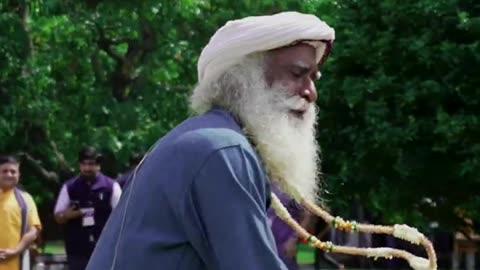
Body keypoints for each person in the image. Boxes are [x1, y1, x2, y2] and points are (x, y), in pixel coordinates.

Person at [86, 11, 335, 270]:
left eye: (313, 79)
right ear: (245, 79)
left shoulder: (211, 138)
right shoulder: (223, 151)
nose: (311, 93)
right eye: (297, 74)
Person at [54, 146, 121, 270]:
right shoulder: (70, 187)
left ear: (98, 165)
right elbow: (58, 217)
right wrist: (73, 214)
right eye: (83, 164)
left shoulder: (111, 187)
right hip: (77, 250)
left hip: (104, 247)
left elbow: (121, 217)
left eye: (91, 164)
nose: (87, 168)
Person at [0, 155, 42, 270]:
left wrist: (15, 251)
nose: (9, 175)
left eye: (13, 172)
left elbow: (34, 230)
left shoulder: (26, 199)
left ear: (18, 175)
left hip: (16, 264)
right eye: (4, 171)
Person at [268, 184, 315, 270]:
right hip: (271, 239)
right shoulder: (268, 183)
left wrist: (293, 239)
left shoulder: (294, 187)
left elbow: (307, 216)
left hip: (287, 242)